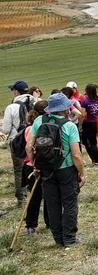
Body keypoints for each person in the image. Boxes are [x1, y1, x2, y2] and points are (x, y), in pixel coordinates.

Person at [26, 93, 86, 248]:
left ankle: (58, 239)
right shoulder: (69, 126)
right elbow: (76, 155)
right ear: (65, 108)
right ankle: (70, 239)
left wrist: (35, 166)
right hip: (65, 169)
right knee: (70, 203)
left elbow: (29, 147)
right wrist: (82, 173)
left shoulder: (39, 121)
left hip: (46, 169)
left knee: (52, 204)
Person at [3, 80, 36, 208]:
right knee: (35, 166)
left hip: (17, 142)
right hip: (34, 140)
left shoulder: (11, 107)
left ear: (16, 91)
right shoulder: (35, 102)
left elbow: (5, 129)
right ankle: (37, 194)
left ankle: (21, 200)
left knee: (19, 170)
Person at [22, 100, 49, 235]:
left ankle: (50, 222)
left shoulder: (47, 125)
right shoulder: (30, 128)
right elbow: (30, 148)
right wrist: (34, 165)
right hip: (32, 167)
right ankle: (30, 225)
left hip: (44, 165)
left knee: (49, 195)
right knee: (35, 197)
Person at [79, 83, 98, 166]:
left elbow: (83, 115)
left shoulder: (85, 101)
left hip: (90, 124)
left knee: (93, 143)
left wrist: (80, 126)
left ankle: (97, 162)